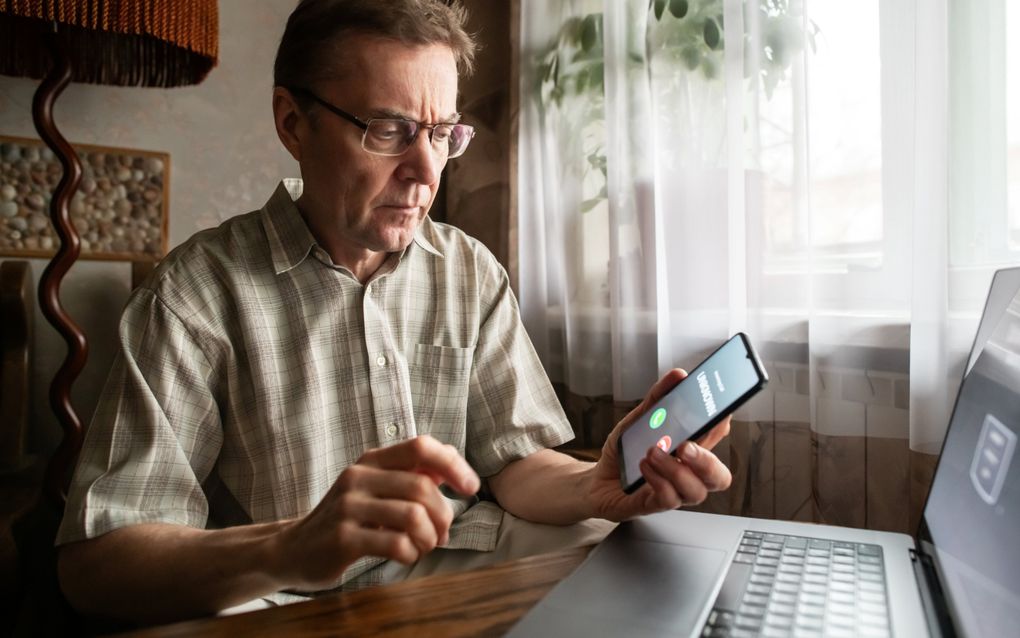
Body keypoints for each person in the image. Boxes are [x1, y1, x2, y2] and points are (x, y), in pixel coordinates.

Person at [54, 0, 733, 625]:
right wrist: (290, 546)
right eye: (388, 130)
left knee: (629, 558)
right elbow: (95, 567)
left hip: (460, 578)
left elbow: (517, 466)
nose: (425, 170)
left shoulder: (468, 269)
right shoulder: (195, 296)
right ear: (293, 122)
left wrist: (598, 483)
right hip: (289, 600)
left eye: (441, 134)